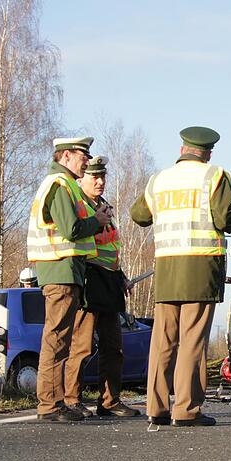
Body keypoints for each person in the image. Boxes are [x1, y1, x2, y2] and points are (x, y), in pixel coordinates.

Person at [130, 126, 231, 427]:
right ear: (209, 153)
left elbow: (139, 215)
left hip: (167, 267)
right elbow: (224, 219)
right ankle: (186, 409)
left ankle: (156, 407)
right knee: (192, 340)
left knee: (162, 340)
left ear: (182, 150)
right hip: (201, 267)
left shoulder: (159, 180)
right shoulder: (215, 175)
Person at [26, 135, 111, 422]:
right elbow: (71, 229)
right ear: (65, 156)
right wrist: (97, 221)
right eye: (82, 157)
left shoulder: (65, 185)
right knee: (57, 338)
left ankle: (55, 401)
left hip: (65, 270)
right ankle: (50, 404)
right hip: (60, 269)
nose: (86, 162)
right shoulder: (60, 185)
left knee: (60, 338)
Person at [63, 155, 140, 418]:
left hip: (110, 282)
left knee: (113, 347)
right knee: (82, 346)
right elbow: (75, 236)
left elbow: (111, 248)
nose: (100, 181)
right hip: (88, 280)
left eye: (103, 176)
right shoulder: (79, 205)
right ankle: (72, 400)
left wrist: (122, 276)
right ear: (82, 178)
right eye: (94, 176)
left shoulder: (105, 207)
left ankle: (109, 401)